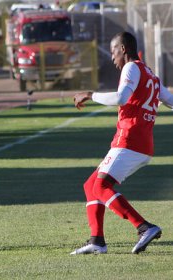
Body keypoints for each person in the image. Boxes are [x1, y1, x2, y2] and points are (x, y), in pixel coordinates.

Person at [71, 31, 173, 255]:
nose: (111, 57)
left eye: (113, 50)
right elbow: (170, 101)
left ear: (123, 49)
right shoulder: (151, 75)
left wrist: (90, 94)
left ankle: (144, 227)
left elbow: (121, 98)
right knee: (91, 186)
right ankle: (97, 241)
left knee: (100, 186)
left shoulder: (132, 67)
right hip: (142, 144)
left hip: (129, 140)